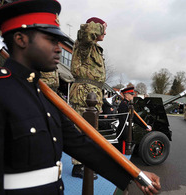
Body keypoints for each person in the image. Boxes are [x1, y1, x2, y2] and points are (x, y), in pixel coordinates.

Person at [0, 1, 161, 194]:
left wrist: (133, 174)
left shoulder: (46, 97)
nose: (58, 48)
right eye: (50, 40)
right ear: (21, 39)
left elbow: (80, 143)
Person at [68, 16, 107, 178]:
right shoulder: (85, 44)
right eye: (103, 29)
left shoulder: (95, 48)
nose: (105, 33)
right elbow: (86, 33)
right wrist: (100, 26)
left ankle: (86, 163)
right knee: (81, 130)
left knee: (90, 131)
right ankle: (78, 167)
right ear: (95, 28)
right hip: (84, 94)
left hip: (92, 93)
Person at [116, 86, 152, 153]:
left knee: (127, 147)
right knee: (124, 149)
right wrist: (145, 126)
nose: (133, 95)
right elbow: (134, 118)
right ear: (126, 95)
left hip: (126, 128)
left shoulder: (126, 104)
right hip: (125, 130)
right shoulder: (124, 105)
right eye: (131, 94)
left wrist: (145, 126)